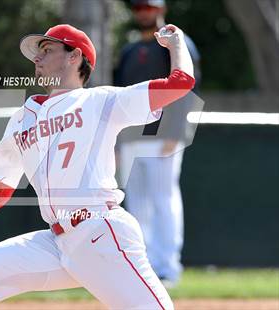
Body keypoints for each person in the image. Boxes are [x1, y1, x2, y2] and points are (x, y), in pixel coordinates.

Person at [0, 23, 195, 309]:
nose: (37, 59)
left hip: (100, 232)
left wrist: (177, 44)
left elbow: (180, 83)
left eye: (47, 50)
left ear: (74, 56)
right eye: (37, 54)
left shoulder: (101, 100)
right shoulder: (23, 118)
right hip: (56, 244)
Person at [114, 0, 201, 287]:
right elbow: (119, 96)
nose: (143, 12)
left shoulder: (176, 41)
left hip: (163, 135)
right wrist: (115, 140)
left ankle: (167, 267)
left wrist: (177, 132)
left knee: (164, 200)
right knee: (137, 203)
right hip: (131, 137)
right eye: (139, 7)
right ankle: (145, 266)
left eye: (148, 7)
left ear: (160, 9)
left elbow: (189, 87)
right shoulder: (128, 49)